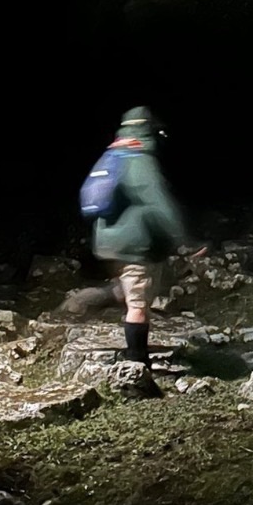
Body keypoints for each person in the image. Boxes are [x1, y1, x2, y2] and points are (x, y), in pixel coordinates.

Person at [89, 106, 188, 367]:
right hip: (135, 246)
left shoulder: (113, 154)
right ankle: (136, 363)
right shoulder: (139, 158)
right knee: (138, 305)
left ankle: (106, 299)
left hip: (109, 243)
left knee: (131, 293)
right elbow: (160, 204)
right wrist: (184, 239)